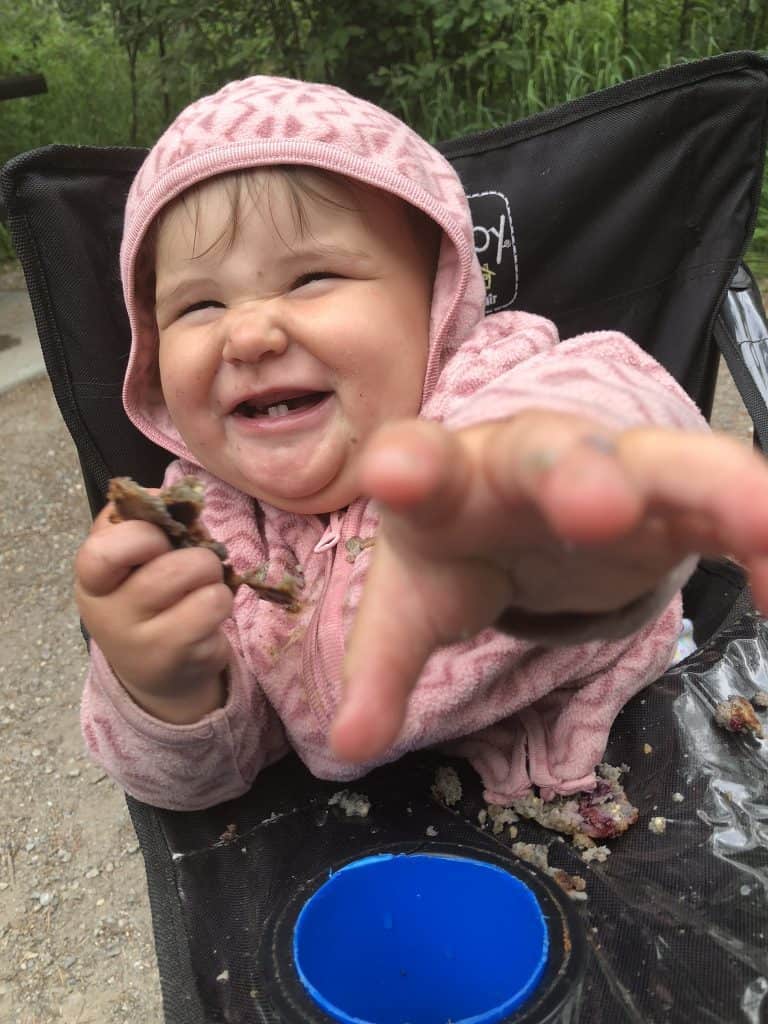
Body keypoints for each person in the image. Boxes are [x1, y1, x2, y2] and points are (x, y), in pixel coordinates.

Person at [74, 75, 768, 811]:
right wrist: (168, 687)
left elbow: (620, 395)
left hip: (658, 761)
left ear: (435, 305)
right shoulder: (211, 534)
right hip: (381, 844)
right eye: (200, 304)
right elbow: (199, 784)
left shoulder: (491, 388)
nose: (247, 334)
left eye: (311, 279)